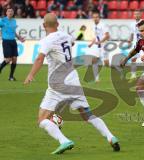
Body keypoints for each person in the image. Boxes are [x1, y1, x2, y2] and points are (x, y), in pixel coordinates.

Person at [24, 13, 120, 154]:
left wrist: (31, 75)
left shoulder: (46, 40)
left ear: (44, 26)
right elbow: (72, 42)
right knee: (87, 114)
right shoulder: (65, 36)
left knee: (42, 119)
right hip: (73, 81)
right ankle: (111, 136)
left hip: (58, 84)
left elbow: (39, 59)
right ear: (58, 24)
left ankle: (64, 141)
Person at [0, 7, 25, 81]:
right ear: (6, 13)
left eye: (11, 11)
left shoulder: (14, 21)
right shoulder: (3, 20)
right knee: (8, 59)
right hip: (6, 41)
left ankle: (11, 76)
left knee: (14, 59)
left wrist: (19, 38)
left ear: (13, 13)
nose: (10, 12)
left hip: (13, 41)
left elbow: (13, 31)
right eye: (9, 11)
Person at [88, 10, 110, 82]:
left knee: (106, 63)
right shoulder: (94, 25)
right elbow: (96, 36)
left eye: (97, 17)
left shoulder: (103, 25)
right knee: (94, 60)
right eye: (94, 17)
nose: (95, 18)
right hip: (98, 46)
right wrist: (91, 43)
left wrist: (100, 42)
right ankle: (96, 79)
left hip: (104, 46)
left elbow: (107, 36)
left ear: (99, 17)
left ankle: (111, 74)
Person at [128, 10, 142, 80]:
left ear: (141, 14)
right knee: (133, 59)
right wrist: (130, 40)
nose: (136, 15)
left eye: (138, 14)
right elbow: (132, 34)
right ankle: (133, 74)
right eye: (135, 14)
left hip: (143, 44)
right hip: (135, 44)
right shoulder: (131, 24)